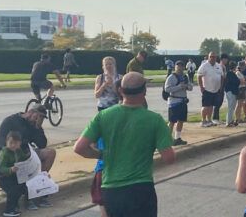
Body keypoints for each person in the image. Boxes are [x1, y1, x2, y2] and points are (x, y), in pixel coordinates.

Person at [74, 72, 176, 217]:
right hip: (141, 187)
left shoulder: (103, 116)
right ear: (145, 92)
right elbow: (169, 158)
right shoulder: (155, 120)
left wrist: (101, 154)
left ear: (120, 91)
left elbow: (79, 148)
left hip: (111, 189)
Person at [0, 105, 55, 209]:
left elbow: (42, 144)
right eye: (38, 116)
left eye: (41, 118)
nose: (38, 119)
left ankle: (38, 185)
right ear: (30, 112)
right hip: (6, 152)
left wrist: (38, 127)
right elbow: (0, 141)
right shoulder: (11, 121)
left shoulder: (34, 126)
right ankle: (25, 191)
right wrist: (16, 150)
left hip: (26, 154)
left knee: (50, 153)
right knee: (24, 158)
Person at [0, 130, 31, 217]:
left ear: (19, 144)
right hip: (2, 175)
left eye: (15, 143)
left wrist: (29, 155)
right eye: (11, 143)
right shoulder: (5, 153)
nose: (13, 145)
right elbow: (1, 167)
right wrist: (10, 169)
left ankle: (14, 206)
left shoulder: (18, 151)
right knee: (12, 190)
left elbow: (23, 158)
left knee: (21, 187)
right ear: (7, 142)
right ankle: (8, 210)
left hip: (13, 174)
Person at [165, 60, 192, 146]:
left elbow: (191, 87)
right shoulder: (171, 77)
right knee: (172, 121)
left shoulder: (185, 77)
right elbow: (167, 89)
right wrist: (179, 86)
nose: (180, 68)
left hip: (183, 101)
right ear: (175, 67)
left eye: (181, 66)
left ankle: (177, 138)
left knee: (181, 120)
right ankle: (167, 139)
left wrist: (187, 86)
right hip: (174, 102)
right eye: (178, 66)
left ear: (184, 67)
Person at [197, 51, 224, 127]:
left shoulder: (218, 66)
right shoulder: (204, 66)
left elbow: (222, 76)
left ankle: (209, 120)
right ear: (208, 57)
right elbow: (199, 76)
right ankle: (203, 120)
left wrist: (220, 87)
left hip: (216, 90)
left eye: (214, 57)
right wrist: (201, 87)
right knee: (205, 106)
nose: (212, 58)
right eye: (211, 57)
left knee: (211, 106)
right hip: (207, 89)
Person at [226, 62, 245, 127]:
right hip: (230, 92)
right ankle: (228, 122)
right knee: (231, 107)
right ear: (234, 67)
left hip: (232, 92)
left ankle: (230, 121)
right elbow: (235, 82)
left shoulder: (232, 73)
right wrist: (239, 81)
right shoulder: (230, 73)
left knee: (232, 107)